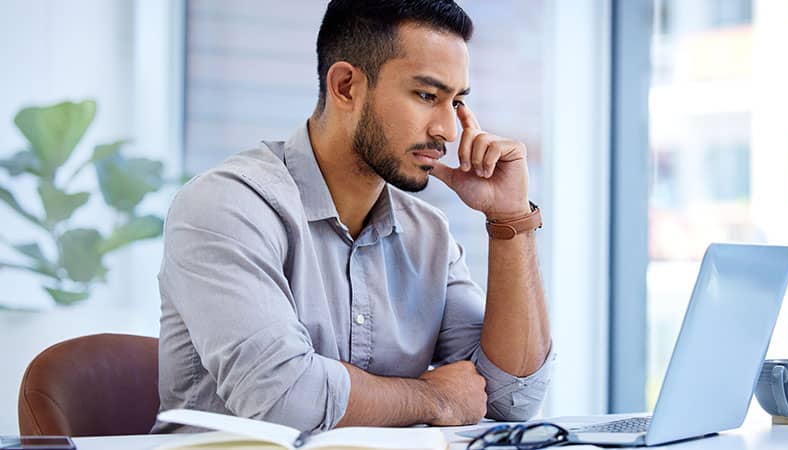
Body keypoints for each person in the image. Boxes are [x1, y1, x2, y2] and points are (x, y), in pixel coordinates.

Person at [153, 0, 553, 434]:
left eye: (455, 102)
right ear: (346, 86)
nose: (449, 131)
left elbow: (512, 397)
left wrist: (510, 220)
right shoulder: (227, 207)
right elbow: (280, 398)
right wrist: (434, 397)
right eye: (426, 96)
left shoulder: (428, 234)